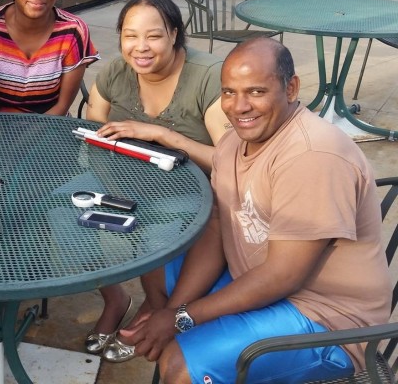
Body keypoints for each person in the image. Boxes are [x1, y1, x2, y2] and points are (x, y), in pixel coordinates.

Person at [104, 38, 391, 384]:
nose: (239, 107)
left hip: (326, 318)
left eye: (256, 92)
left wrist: (182, 317)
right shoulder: (236, 140)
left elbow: (283, 275)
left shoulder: (313, 155)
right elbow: (215, 229)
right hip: (258, 280)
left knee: (180, 366)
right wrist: (171, 312)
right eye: (228, 92)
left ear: (291, 87)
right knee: (158, 256)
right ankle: (165, 320)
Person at [82, 0, 227, 357]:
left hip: (191, 188)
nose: (140, 47)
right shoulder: (118, 70)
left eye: (154, 36)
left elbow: (232, 161)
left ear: (175, 34)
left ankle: (157, 308)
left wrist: (162, 135)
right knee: (62, 215)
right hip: (121, 179)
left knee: (153, 234)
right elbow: (91, 123)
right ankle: (115, 297)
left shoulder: (207, 77)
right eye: (130, 35)